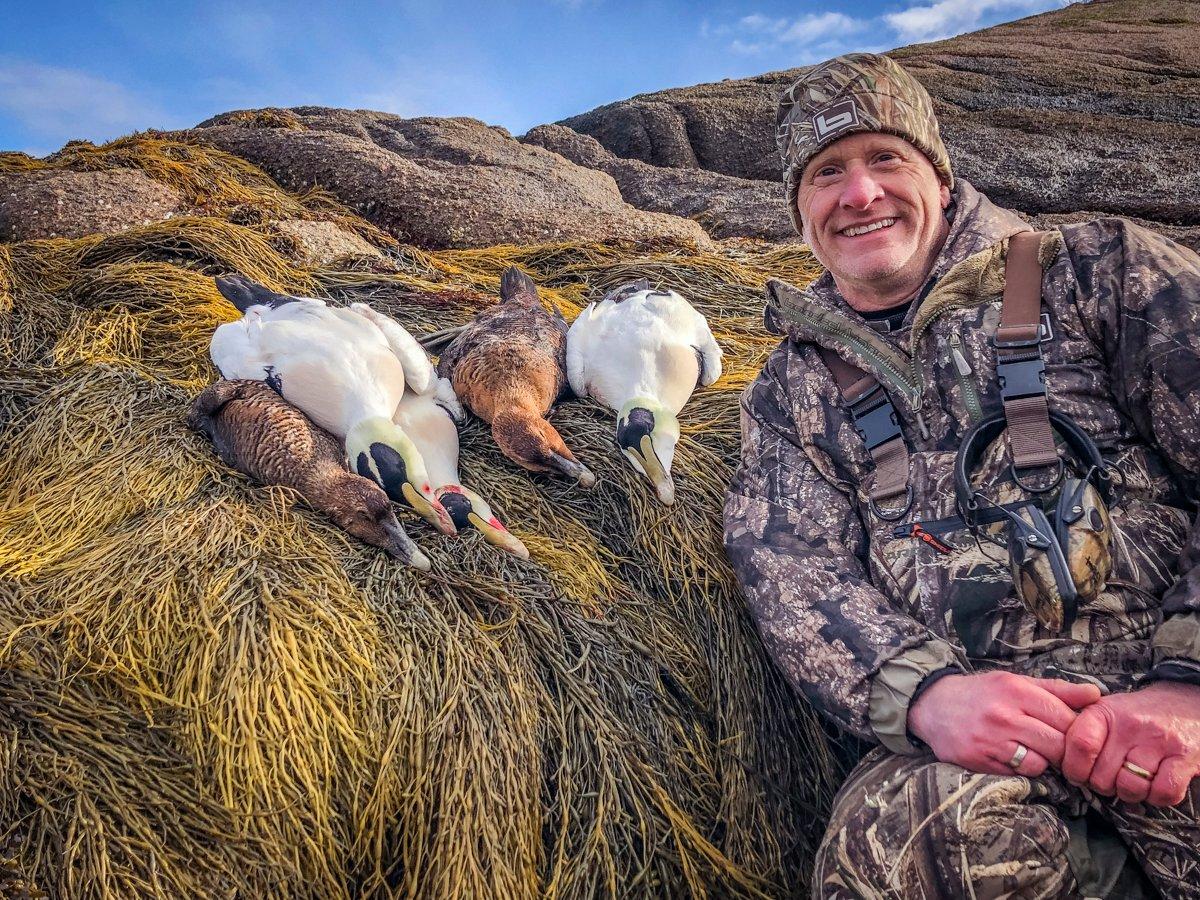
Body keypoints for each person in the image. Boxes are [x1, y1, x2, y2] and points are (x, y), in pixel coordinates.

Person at [723, 52, 1200, 898]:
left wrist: (1186, 683)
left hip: (1170, 700)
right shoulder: (787, 389)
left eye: (885, 160)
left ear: (941, 179)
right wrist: (925, 693)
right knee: (901, 845)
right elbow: (789, 565)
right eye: (826, 173)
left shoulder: (1099, 272)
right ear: (801, 212)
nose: (859, 194)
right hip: (978, 741)